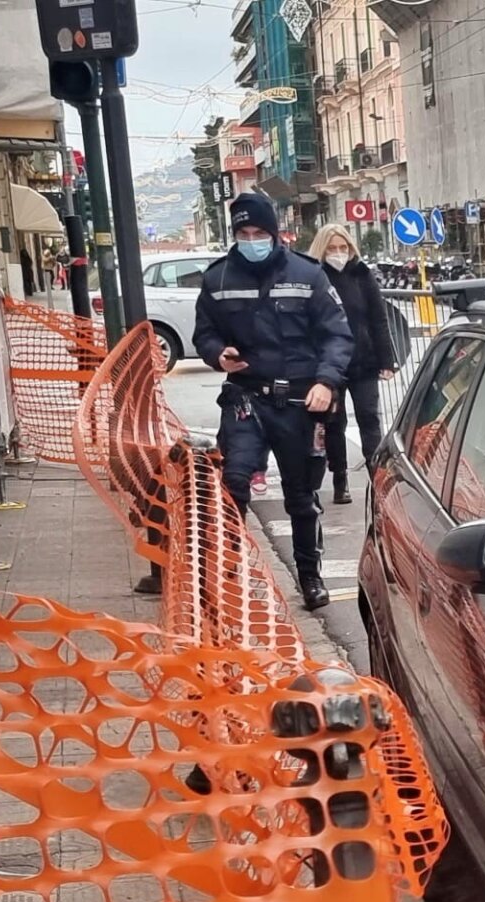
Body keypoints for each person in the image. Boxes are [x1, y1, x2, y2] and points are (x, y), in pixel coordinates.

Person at [192, 192, 354, 610]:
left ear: (274, 232)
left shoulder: (308, 274)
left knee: (301, 497)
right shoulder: (218, 279)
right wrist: (217, 353)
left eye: (258, 232)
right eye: (243, 233)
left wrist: (326, 382)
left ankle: (310, 577)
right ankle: (228, 575)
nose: (251, 240)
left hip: (302, 401)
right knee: (234, 485)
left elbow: (337, 335)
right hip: (247, 396)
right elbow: (205, 332)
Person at [308, 223, 396, 507]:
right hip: (329, 364)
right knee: (334, 422)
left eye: (343, 247)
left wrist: (386, 359)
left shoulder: (362, 274)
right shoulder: (315, 277)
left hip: (364, 360)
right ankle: (340, 478)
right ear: (322, 249)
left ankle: (377, 477)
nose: (338, 253)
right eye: (332, 248)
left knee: (370, 417)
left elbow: (379, 318)